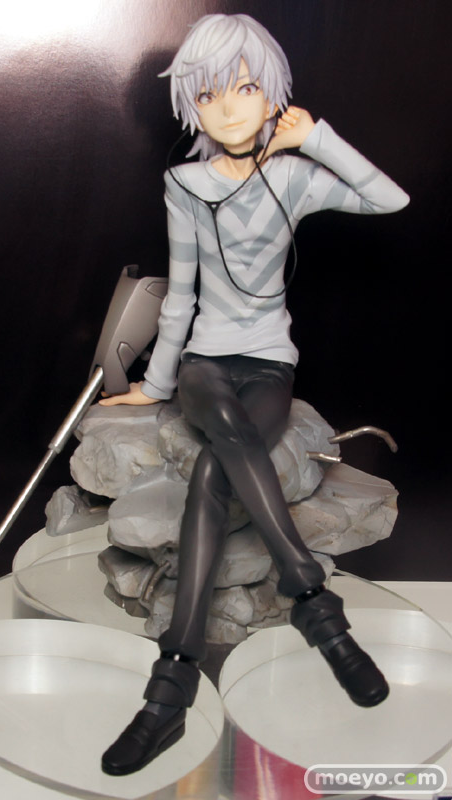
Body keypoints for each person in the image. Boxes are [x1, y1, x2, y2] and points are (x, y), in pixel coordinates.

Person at [100, 13, 409, 776]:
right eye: (208, 95)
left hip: (268, 367)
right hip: (204, 368)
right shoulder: (183, 184)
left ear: (271, 95)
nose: (228, 108)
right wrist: (153, 387)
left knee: (215, 469)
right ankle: (318, 609)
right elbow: (180, 298)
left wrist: (317, 139)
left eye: (243, 88)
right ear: (192, 108)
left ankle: (169, 691)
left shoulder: (293, 177)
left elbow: (389, 200)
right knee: (226, 434)